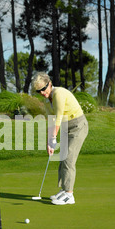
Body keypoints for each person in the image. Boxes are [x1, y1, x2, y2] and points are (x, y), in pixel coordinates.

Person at [31, 72, 88, 205]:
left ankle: (69, 194)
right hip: (65, 127)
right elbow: (51, 121)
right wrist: (49, 142)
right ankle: (64, 189)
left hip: (78, 126)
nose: (42, 92)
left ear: (49, 84)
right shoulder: (47, 101)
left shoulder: (58, 93)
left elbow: (59, 117)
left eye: (44, 89)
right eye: (39, 91)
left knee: (68, 158)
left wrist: (53, 137)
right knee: (62, 157)